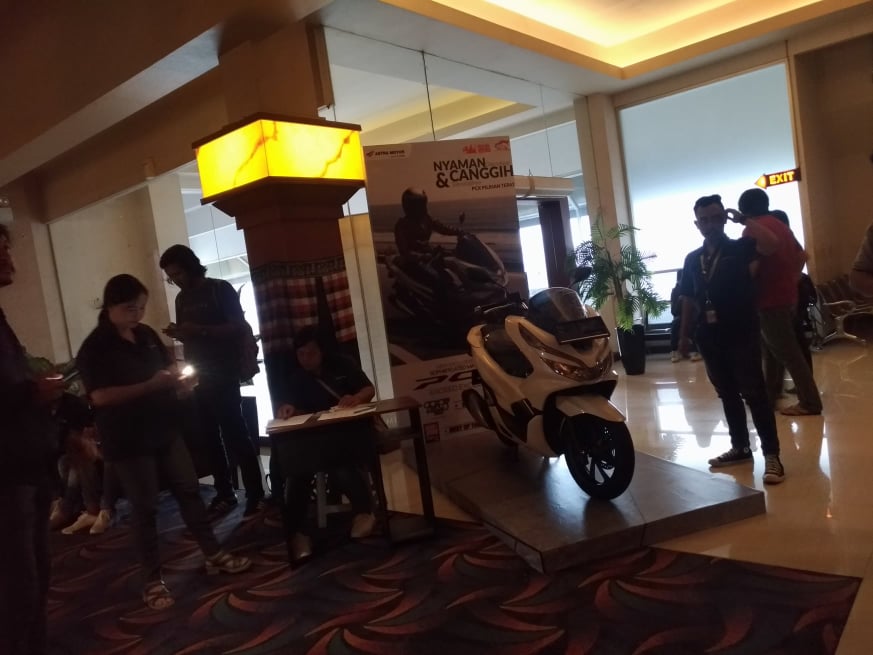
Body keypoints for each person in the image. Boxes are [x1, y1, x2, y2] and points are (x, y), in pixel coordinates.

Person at [76, 274, 251, 610]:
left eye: (141, 307)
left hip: (165, 427)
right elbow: (99, 397)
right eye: (130, 308)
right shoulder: (95, 348)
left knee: (189, 489)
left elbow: (168, 367)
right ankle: (152, 579)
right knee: (145, 508)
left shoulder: (145, 335)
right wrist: (150, 386)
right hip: (128, 438)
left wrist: (180, 382)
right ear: (111, 306)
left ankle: (213, 553)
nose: (137, 314)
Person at [678, 194, 786, 484]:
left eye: (716, 218)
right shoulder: (693, 259)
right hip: (708, 335)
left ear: (724, 219)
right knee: (727, 393)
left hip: (741, 330)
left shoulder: (741, 248)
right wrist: (683, 337)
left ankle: (772, 455)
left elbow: (772, 244)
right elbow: (688, 298)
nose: (710, 224)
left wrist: (744, 220)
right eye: (704, 220)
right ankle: (740, 447)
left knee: (755, 393)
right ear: (697, 224)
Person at [159, 244, 266, 518]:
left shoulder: (220, 289)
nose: (176, 280)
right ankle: (224, 493)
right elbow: (190, 337)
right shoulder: (181, 300)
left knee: (235, 433)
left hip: (225, 371)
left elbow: (238, 327)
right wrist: (182, 335)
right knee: (209, 437)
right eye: (171, 277)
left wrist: (200, 330)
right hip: (198, 375)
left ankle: (255, 494)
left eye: (178, 273)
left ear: (190, 266)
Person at [0, 224, 66, 655]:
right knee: (18, 587)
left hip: (28, 465)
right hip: (6, 475)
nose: (9, 257)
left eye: (7, 248)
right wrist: (31, 393)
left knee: (36, 578)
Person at [273, 325, 378, 561]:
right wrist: (288, 409)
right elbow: (294, 407)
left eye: (311, 353)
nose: (306, 359)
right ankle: (297, 531)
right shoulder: (296, 377)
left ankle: (363, 512)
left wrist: (355, 398)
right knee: (297, 470)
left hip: (350, 430)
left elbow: (369, 389)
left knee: (338, 462)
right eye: (300, 354)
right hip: (317, 436)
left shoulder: (342, 364)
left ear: (322, 351)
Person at [737, 189, 821, 416]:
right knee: (773, 351)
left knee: (787, 353)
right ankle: (770, 395)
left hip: (768, 299)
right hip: (787, 296)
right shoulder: (781, 225)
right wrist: (791, 279)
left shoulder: (753, 230)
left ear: (743, 209)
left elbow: (752, 267)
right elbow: (801, 256)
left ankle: (810, 402)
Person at [394, 187, 463, 259]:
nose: (423, 207)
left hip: (427, 256)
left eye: (423, 204)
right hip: (412, 261)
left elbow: (443, 228)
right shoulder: (402, 225)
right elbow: (404, 251)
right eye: (420, 205)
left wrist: (459, 232)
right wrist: (421, 256)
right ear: (411, 206)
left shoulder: (426, 219)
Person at [669, 270, 702, 363]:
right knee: (675, 324)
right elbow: (673, 311)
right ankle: (674, 351)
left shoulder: (694, 288)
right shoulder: (675, 291)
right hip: (679, 317)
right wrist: (679, 302)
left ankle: (697, 351)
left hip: (695, 315)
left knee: (696, 323)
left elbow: (699, 306)